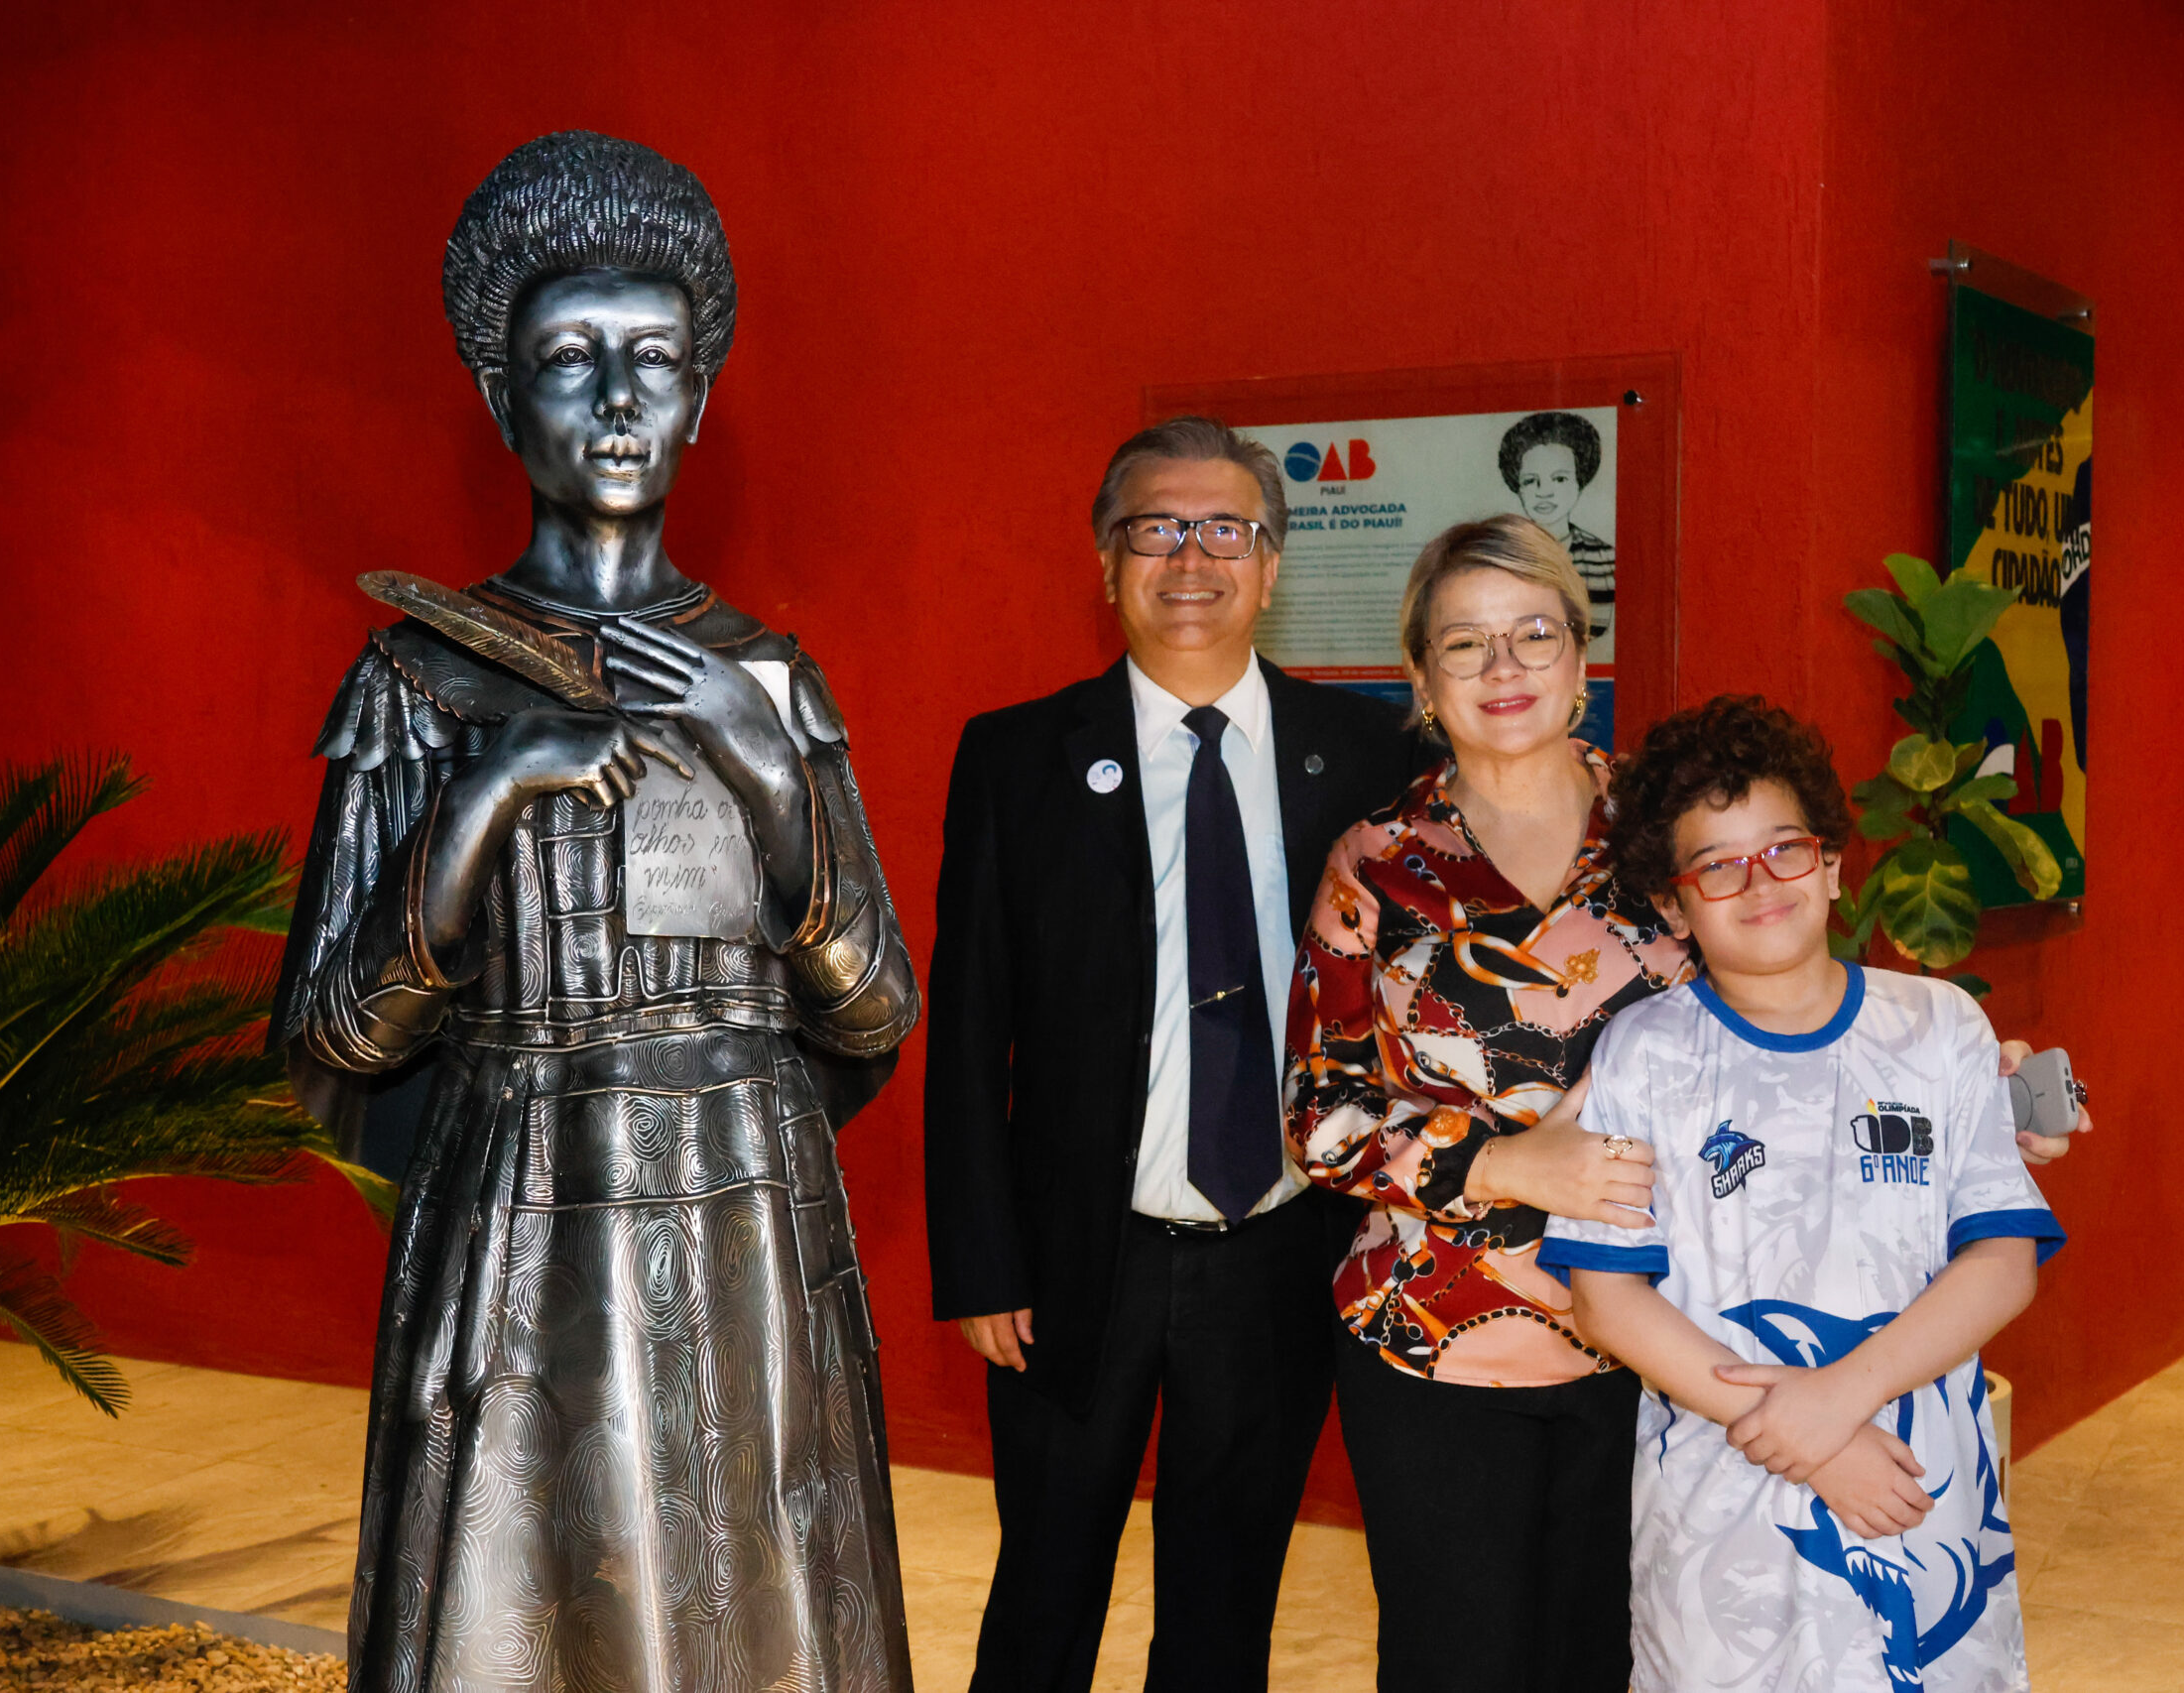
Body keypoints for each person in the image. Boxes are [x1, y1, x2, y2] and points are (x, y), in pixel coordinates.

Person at [271, 132, 919, 1693]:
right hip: (522, 1210)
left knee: (756, 1596)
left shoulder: (771, 678)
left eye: (656, 359)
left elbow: (878, 1005)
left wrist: (766, 772)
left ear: (699, 396)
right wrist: (482, 799)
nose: (620, 398)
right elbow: (333, 1036)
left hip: (754, 1207)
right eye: (572, 357)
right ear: (505, 396)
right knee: (528, 1606)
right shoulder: (422, 679)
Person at [1283, 516, 2082, 1691]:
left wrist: (1983, 1078)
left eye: (1533, 633)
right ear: (1420, 675)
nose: (1503, 668)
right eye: (1464, 643)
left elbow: (1808, 1003)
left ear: (1580, 651)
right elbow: (1318, 1114)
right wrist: (1503, 1165)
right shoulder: (1378, 862)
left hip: (1666, 1351)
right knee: (1454, 1665)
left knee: (1620, 1660)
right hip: (1438, 1341)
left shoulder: (1669, 820)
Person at [923, 416, 1417, 1692]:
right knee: (1043, 1592)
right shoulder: (1016, 757)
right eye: (1156, 527)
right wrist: (981, 1261)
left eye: (1225, 530)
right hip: (1075, 1260)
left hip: (1277, 1250)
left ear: (1270, 565)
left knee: (1224, 1609)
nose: (1190, 556)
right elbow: (969, 1028)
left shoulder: (1370, 760)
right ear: (1106, 561)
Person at [1541, 694, 2061, 1692]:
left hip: (1915, 1491)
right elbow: (1607, 1299)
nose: (1758, 882)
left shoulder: (1940, 1028)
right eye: (1716, 864)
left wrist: (1841, 1398)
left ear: (1829, 864)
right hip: (1723, 1512)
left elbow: (2002, 1261)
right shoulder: (1645, 1054)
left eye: (1783, 849)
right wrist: (1811, 1442)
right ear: (1673, 905)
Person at [1497, 411, 1617, 646]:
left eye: (1559, 479)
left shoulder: (1606, 559)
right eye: (1531, 481)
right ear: (1517, 486)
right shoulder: (1496, 556)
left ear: (1580, 481)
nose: (1544, 492)